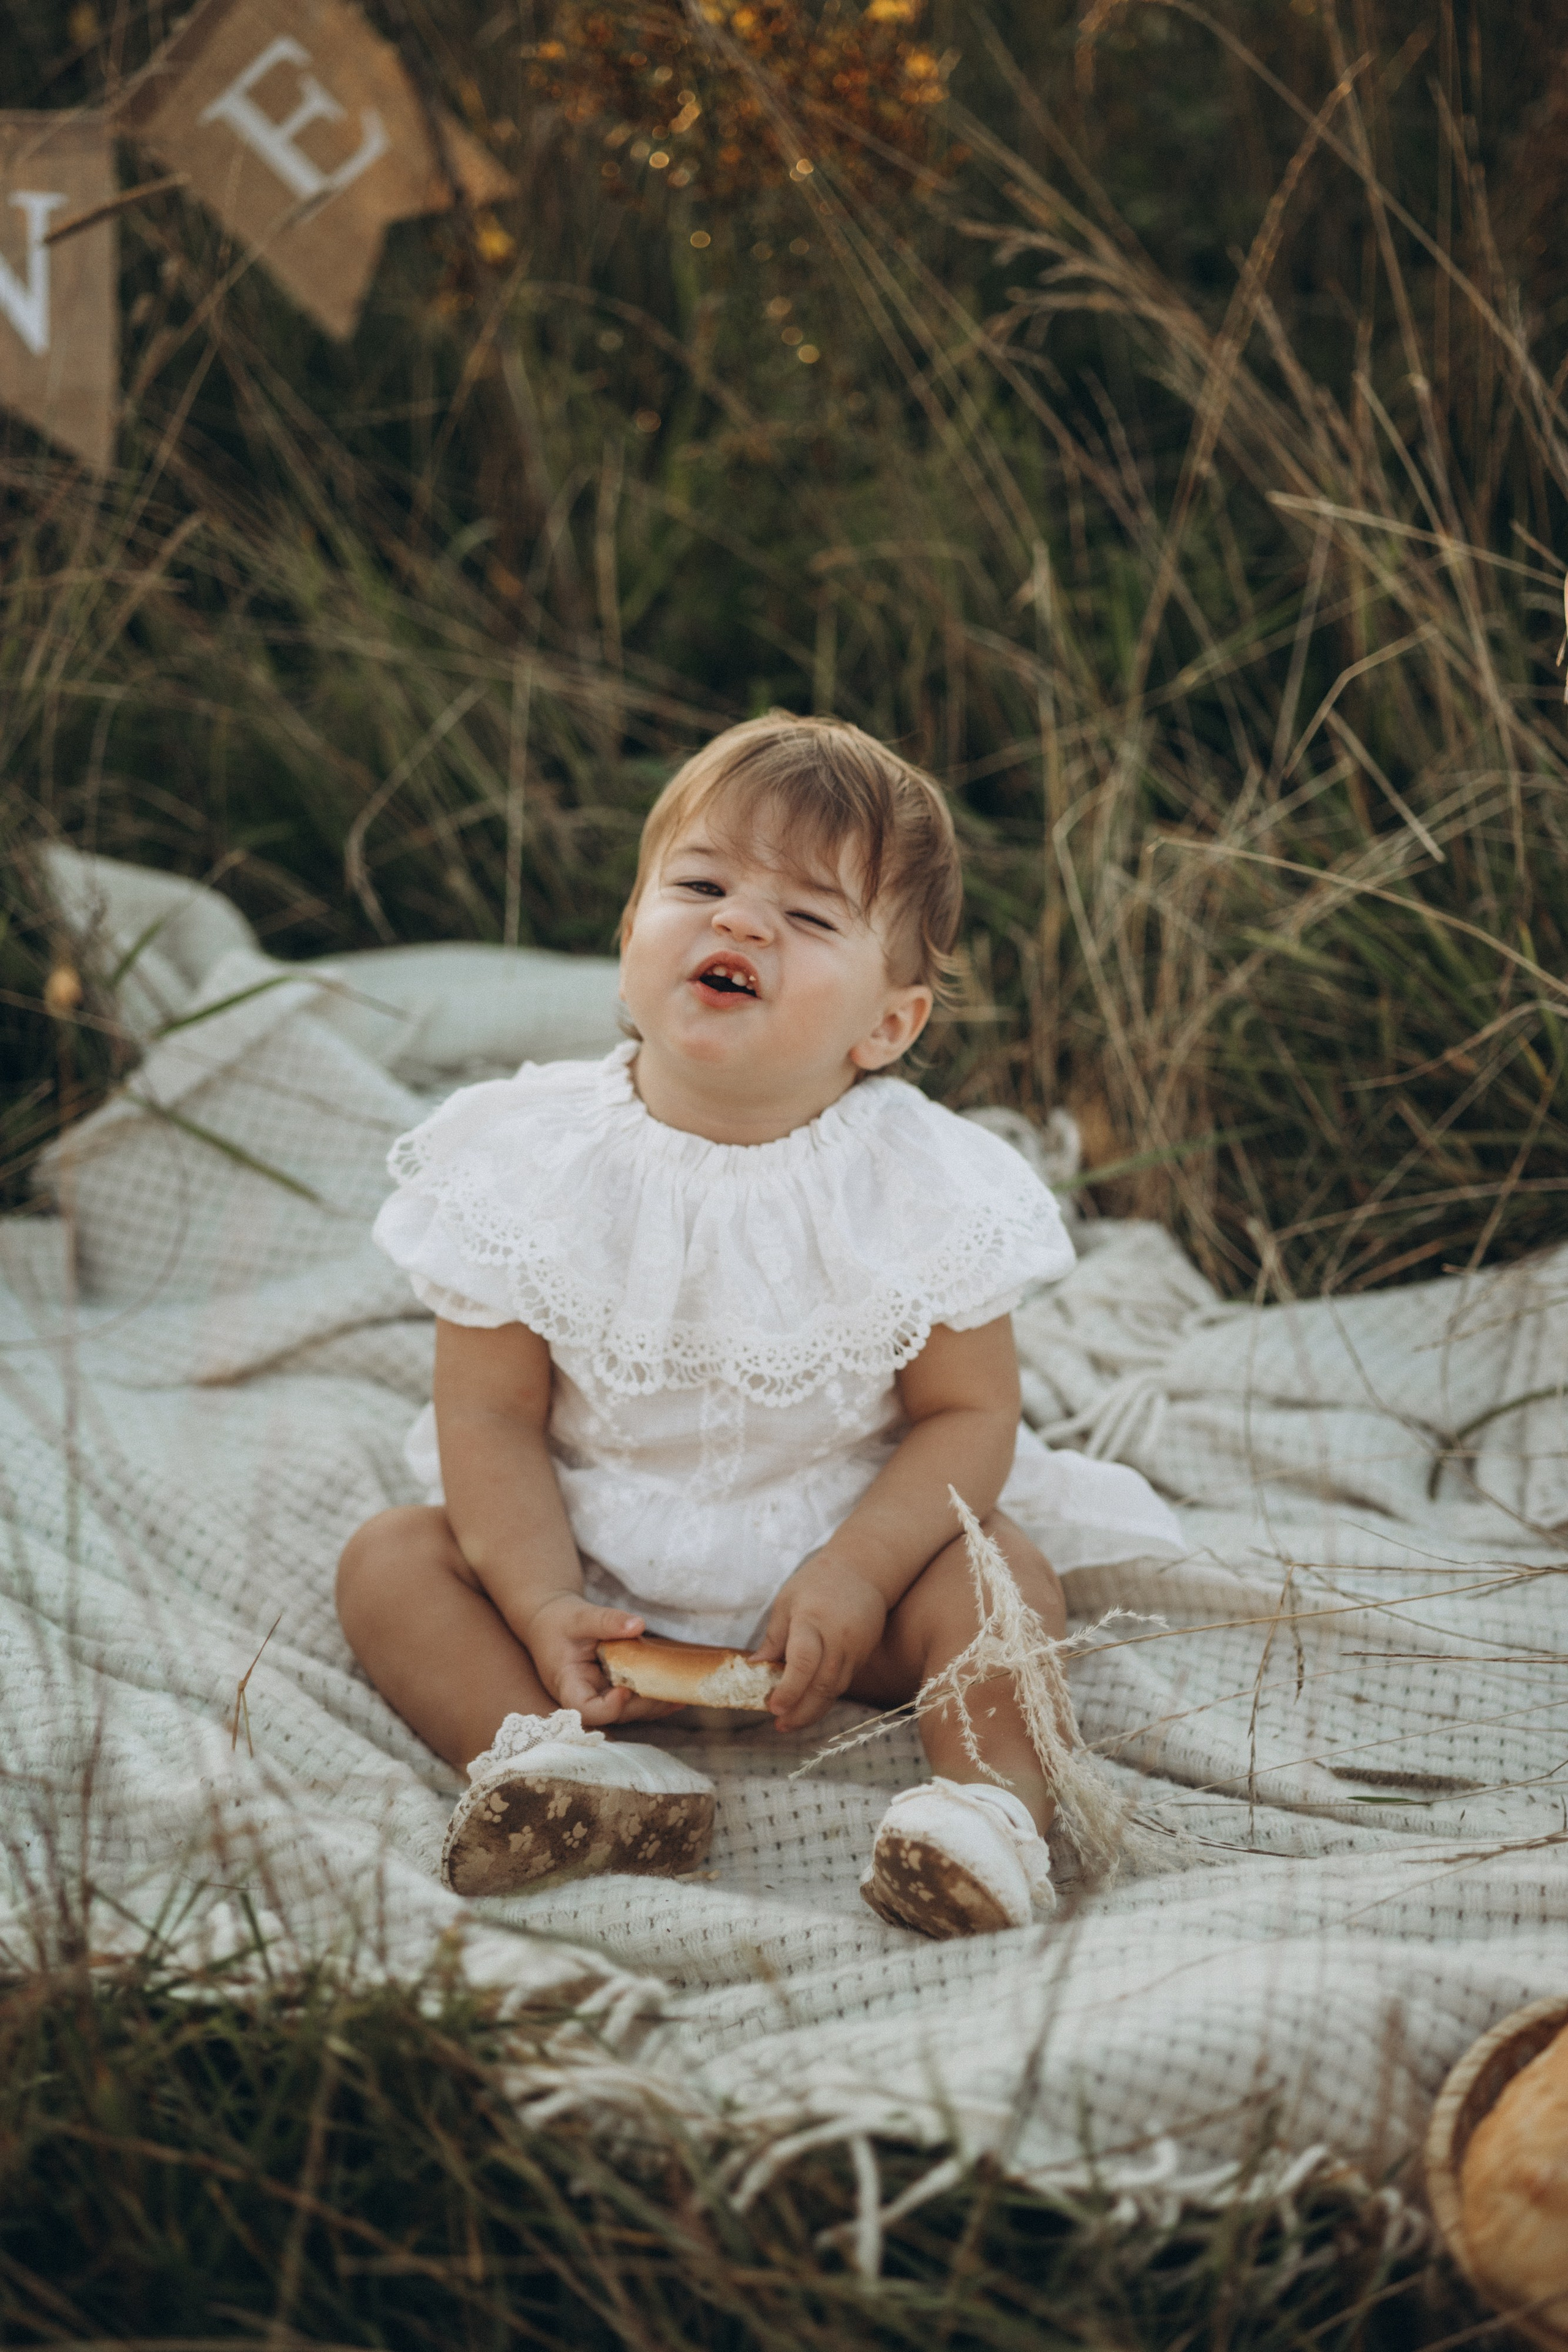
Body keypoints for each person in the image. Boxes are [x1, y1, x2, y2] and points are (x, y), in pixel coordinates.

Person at [337, 714, 1180, 1938]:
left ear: (888, 1025)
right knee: (389, 1563)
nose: (739, 924)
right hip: (592, 1574)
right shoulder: (524, 1159)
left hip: (841, 1579)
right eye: (700, 887)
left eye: (808, 916)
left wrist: (858, 1573)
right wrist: (541, 1602)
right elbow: (487, 1416)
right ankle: (558, 1767)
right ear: (629, 933)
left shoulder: (920, 1185)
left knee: (1000, 1578)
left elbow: (967, 1415)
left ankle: (987, 1813)